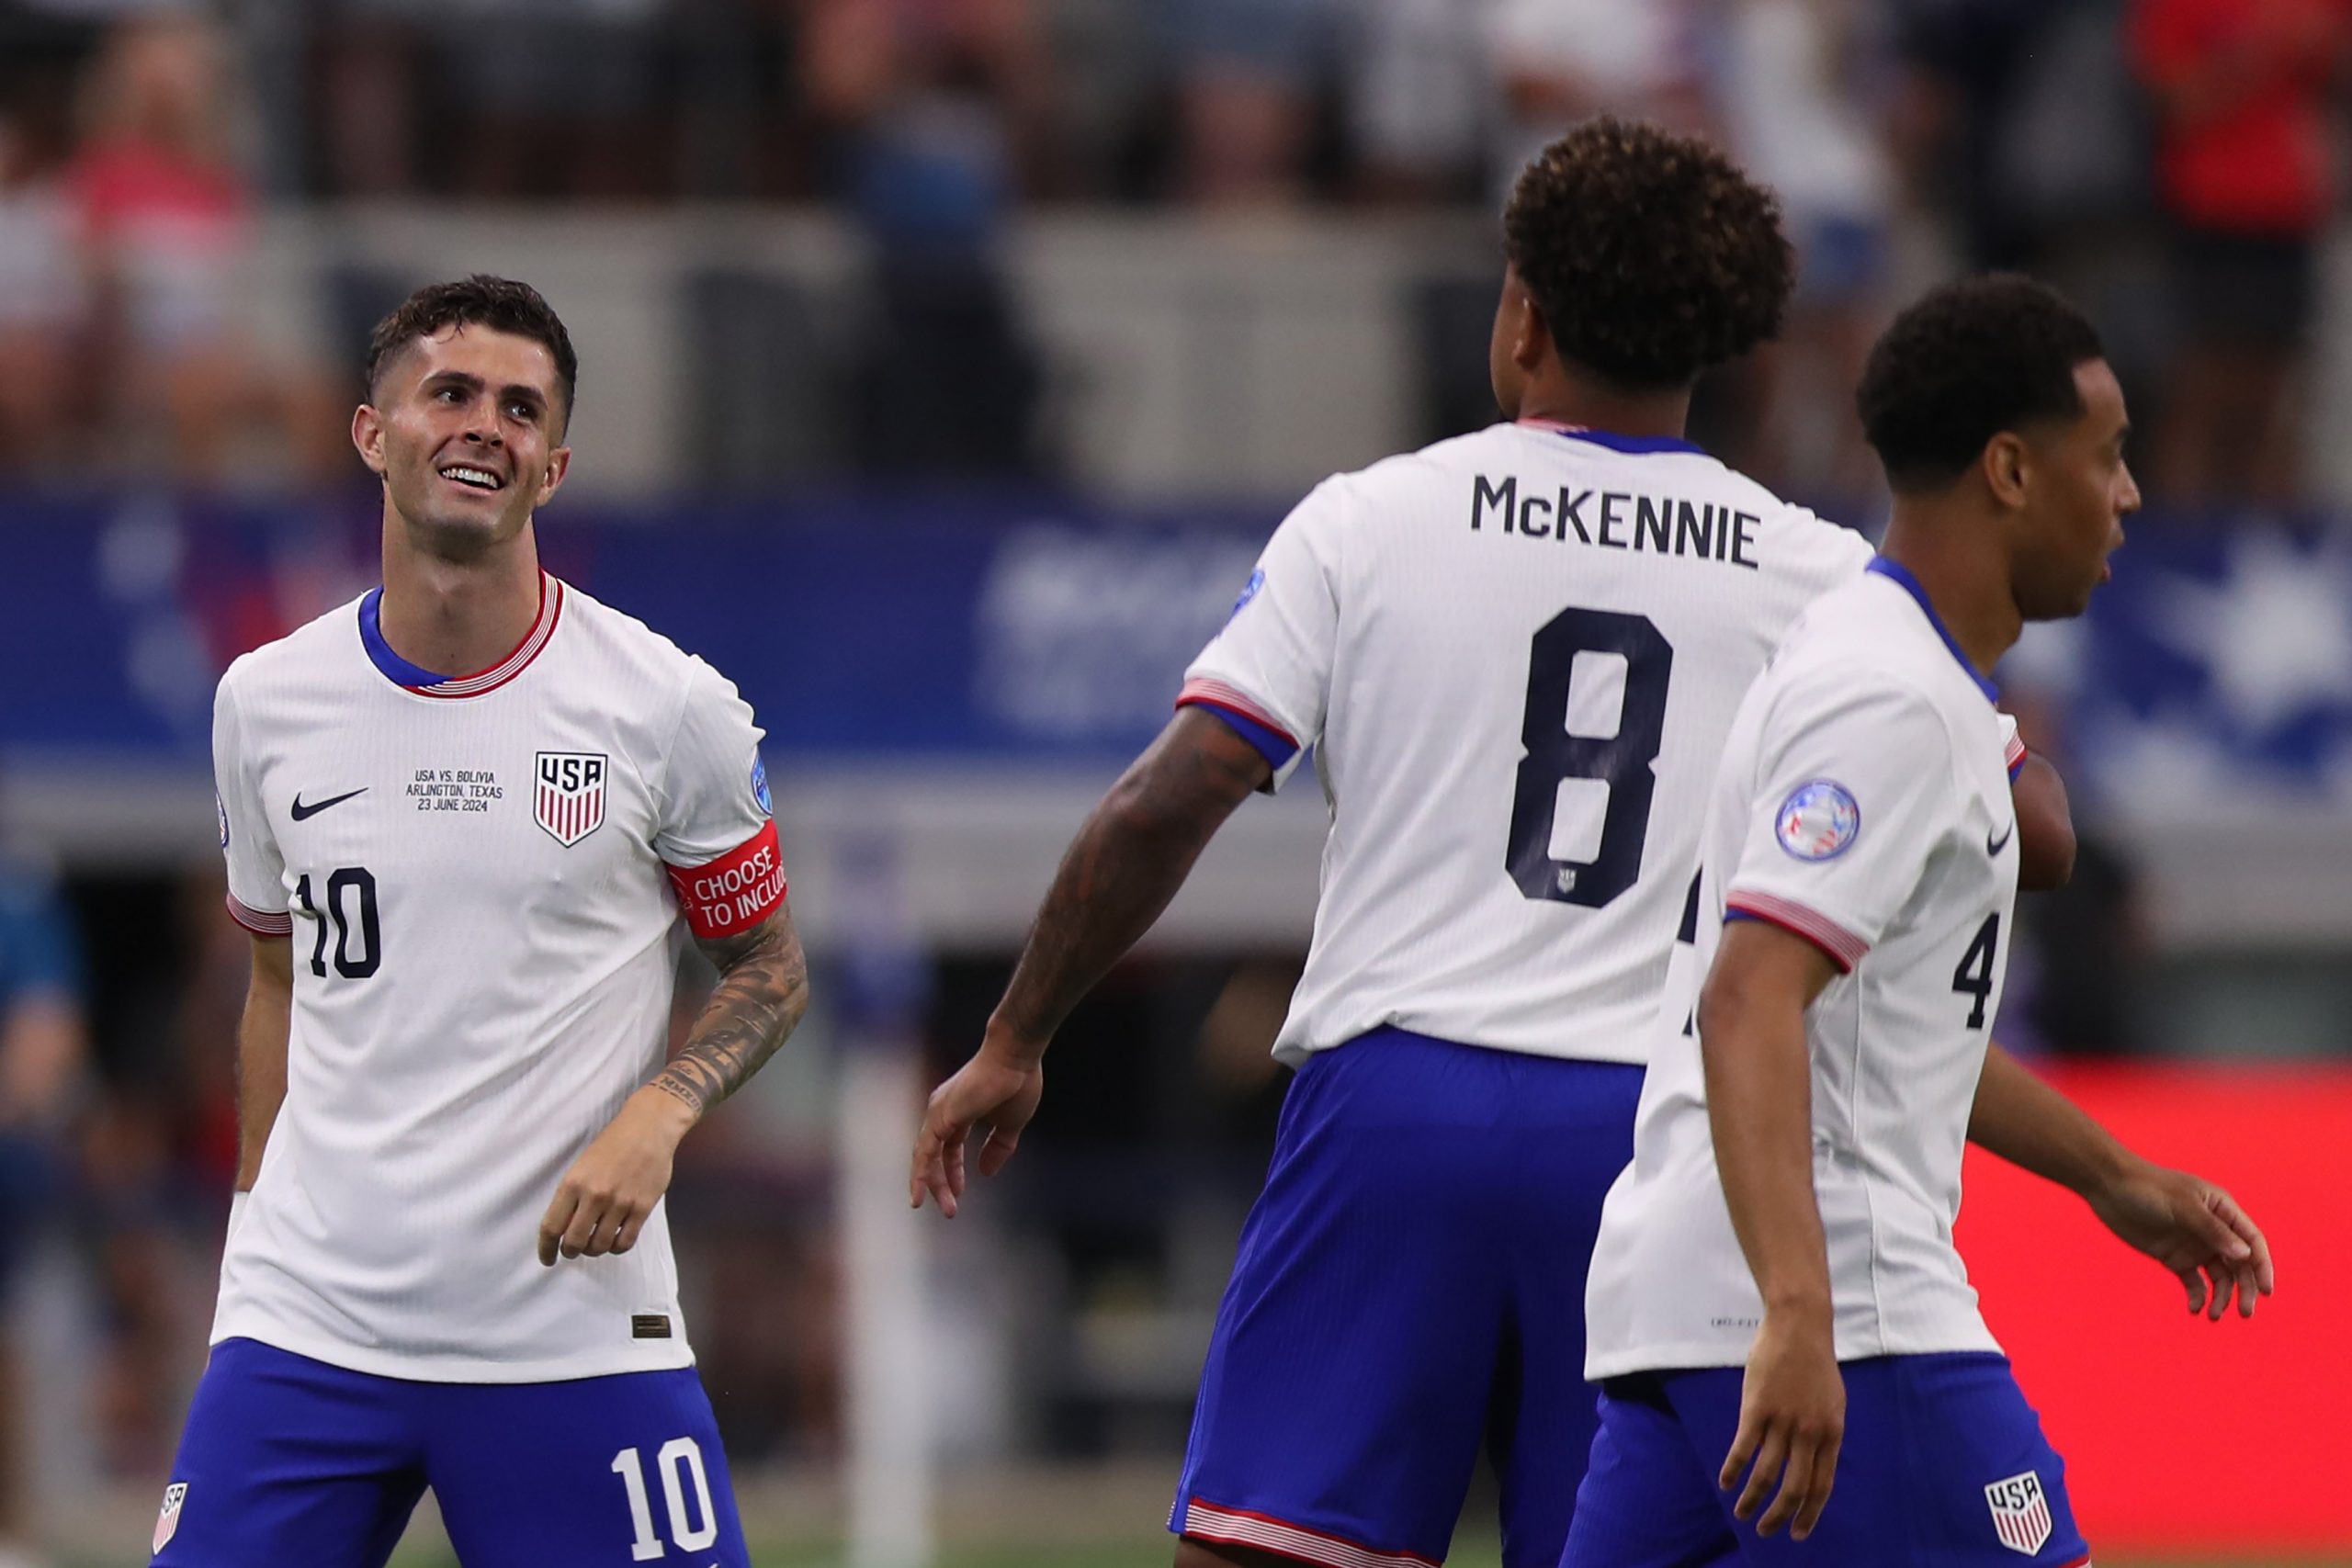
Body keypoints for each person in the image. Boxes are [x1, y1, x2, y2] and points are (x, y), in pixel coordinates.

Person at [910, 119, 2068, 1568]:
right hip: (1656, 1146)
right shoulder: (1821, 576)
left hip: (1397, 1114)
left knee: (1266, 1548)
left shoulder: (1373, 520)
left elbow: (1177, 791)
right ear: (1717, 344)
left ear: (1520, 312)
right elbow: (2028, 824)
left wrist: (1019, 1036)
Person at [1568, 274, 2273, 1568]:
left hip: (1679, 1313)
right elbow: (1749, 995)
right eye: (2106, 459)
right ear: (2010, 469)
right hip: (1845, 1311)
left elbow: (1880, 1029)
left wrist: (2114, 1178)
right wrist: (1798, 1308)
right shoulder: (1889, 700)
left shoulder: (1871, 661)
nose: (2126, 497)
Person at [151, 276, 810, 1568]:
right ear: (372, 432)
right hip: (308, 1330)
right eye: (449, 392)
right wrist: (254, 1237)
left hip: (568, 1334)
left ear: (553, 467)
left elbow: (772, 972)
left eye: (521, 408)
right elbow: (276, 982)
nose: (483, 425)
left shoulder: (668, 710)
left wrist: (661, 1112)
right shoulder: (263, 703)